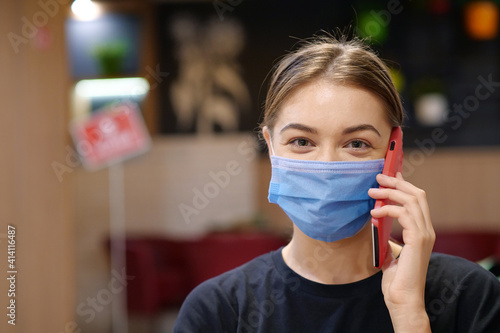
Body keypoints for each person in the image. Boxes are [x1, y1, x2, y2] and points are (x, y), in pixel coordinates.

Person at [173, 35, 500, 332]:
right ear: (271, 146)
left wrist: (409, 314)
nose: (327, 164)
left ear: (394, 152)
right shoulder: (217, 311)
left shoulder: (470, 296)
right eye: (301, 141)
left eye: (356, 143)